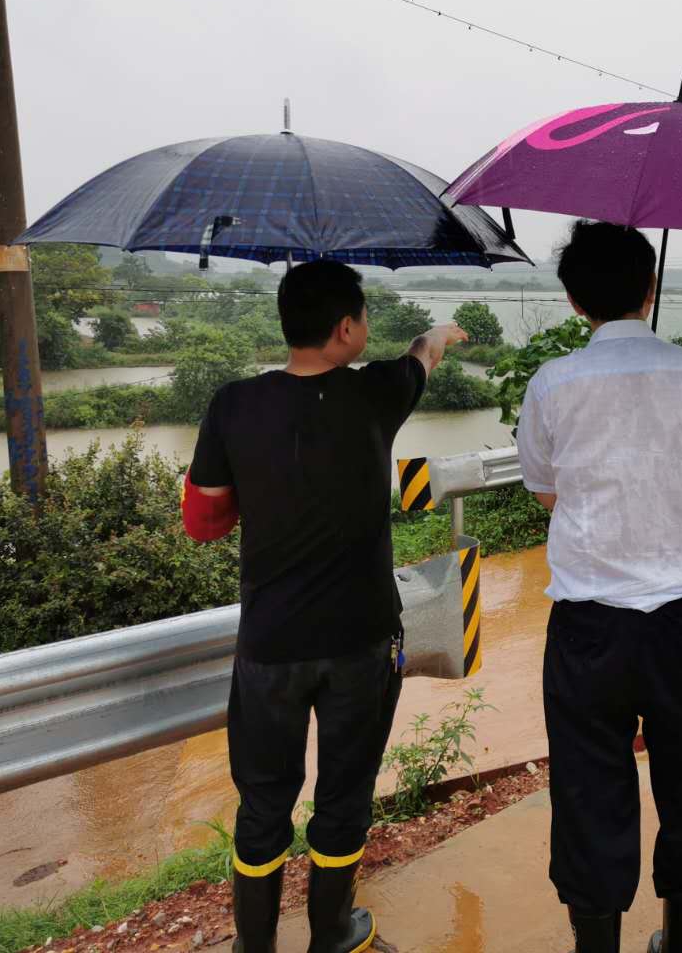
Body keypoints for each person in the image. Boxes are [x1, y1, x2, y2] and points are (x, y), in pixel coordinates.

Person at [181, 259, 466, 953]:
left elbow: (203, 521)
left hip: (271, 645)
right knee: (345, 794)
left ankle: (254, 947)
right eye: (363, 317)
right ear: (345, 329)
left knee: (263, 802)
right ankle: (332, 935)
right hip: (361, 641)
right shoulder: (377, 393)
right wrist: (440, 333)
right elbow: (422, 356)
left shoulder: (233, 404)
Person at [516, 222, 682, 953]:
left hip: (588, 628)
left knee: (588, 796)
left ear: (573, 301)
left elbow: (547, 492)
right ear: (650, 290)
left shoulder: (552, 382)